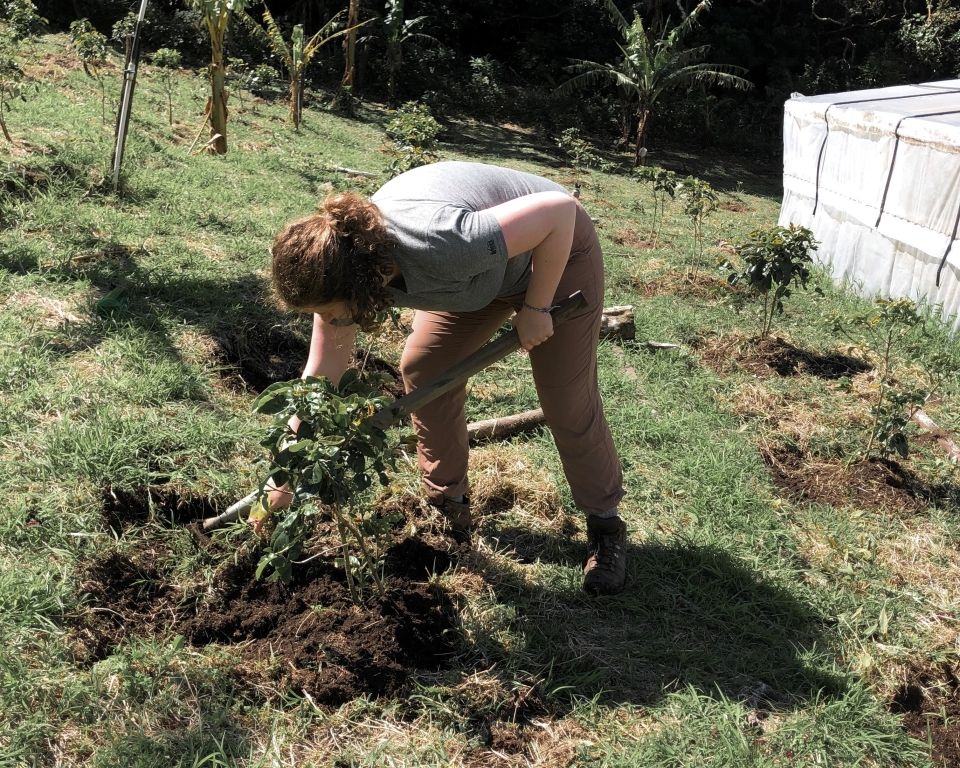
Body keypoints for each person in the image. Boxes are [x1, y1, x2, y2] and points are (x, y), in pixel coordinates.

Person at [269, 161, 627, 595]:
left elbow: (558, 211)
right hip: (478, 278)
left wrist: (534, 309)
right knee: (424, 370)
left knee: (564, 399)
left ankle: (605, 526)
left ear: (363, 283)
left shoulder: (440, 243)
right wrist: (282, 478)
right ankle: (448, 506)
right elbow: (319, 378)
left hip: (554, 253)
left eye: (328, 311)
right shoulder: (348, 269)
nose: (326, 321)